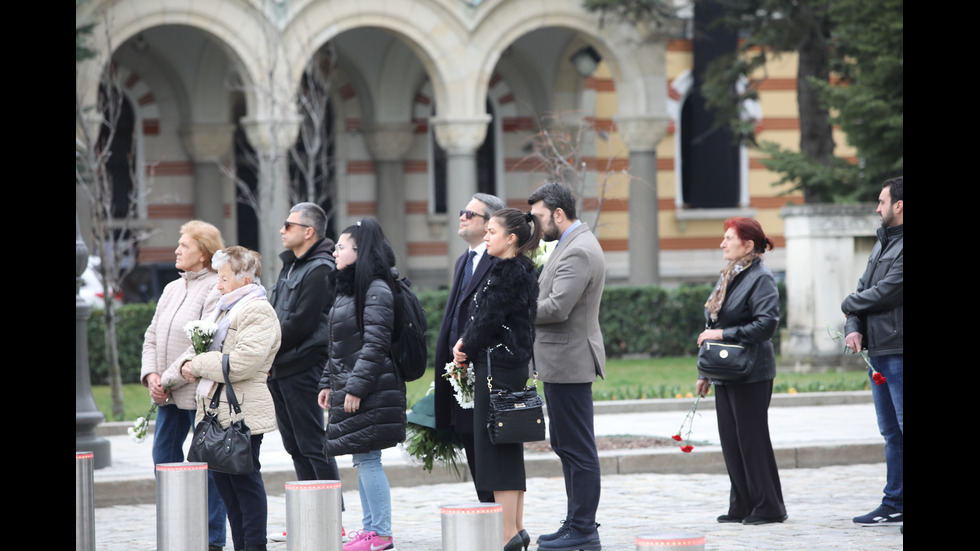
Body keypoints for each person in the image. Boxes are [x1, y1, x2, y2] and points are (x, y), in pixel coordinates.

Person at [173, 246, 282, 551]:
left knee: (245, 484)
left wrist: (196, 365)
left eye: (223, 278)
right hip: (214, 409)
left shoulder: (257, 309)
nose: (217, 285)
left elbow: (242, 362)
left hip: (241, 411)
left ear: (244, 279)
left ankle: (254, 546)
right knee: (227, 487)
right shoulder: (226, 307)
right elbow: (206, 351)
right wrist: (185, 366)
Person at [452, 208, 541, 551]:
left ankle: (507, 534)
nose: (486, 237)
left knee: (496, 445)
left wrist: (465, 347)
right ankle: (515, 527)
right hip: (508, 366)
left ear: (511, 238)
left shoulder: (508, 272)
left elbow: (487, 319)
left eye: (492, 231)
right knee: (508, 442)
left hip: (498, 367)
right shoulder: (518, 269)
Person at [317, 219, 405, 551]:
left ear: (360, 251)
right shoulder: (350, 289)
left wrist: (355, 388)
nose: (335, 251)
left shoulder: (376, 289)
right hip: (354, 383)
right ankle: (371, 530)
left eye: (340, 246)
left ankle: (381, 533)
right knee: (362, 458)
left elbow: (375, 344)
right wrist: (328, 382)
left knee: (369, 459)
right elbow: (339, 344)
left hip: (372, 387)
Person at [140, 220, 228, 550]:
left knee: (208, 468)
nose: (177, 250)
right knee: (163, 460)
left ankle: (211, 539)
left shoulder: (213, 288)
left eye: (185, 246)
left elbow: (202, 343)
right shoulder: (171, 289)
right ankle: (177, 529)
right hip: (167, 397)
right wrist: (151, 376)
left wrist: (167, 378)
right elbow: (151, 335)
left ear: (204, 254)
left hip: (198, 395)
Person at [695, 217, 787, 526]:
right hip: (726, 369)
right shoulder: (732, 274)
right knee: (731, 440)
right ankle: (743, 504)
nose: (722, 243)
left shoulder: (760, 277)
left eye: (729, 238)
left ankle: (769, 507)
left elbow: (767, 323)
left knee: (752, 439)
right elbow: (713, 323)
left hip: (752, 371)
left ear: (747, 244)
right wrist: (704, 372)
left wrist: (722, 335)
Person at [528, 183, 604, 551]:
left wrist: (516, 309)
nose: (537, 226)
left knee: (577, 447)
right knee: (566, 445)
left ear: (559, 214)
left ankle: (584, 529)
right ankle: (576, 522)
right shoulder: (569, 245)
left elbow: (557, 308)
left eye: (540, 218)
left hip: (570, 360)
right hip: (561, 360)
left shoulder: (579, 251)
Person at [434, 192, 506, 504]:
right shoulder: (464, 260)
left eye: (470, 214)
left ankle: (503, 523)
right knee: (471, 446)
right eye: (463, 211)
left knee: (489, 452)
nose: (462, 216)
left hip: (486, 373)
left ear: (491, 223)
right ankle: (489, 515)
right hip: (459, 375)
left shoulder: (500, 261)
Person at [841, 176, 903, 527]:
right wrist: (853, 328)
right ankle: (895, 501)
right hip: (878, 352)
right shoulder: (882, 243)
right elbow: (864, 290)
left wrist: (848, 304)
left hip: (899, 351)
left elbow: (887, 293)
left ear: (899, 205)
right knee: (891, 434)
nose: (877, 208)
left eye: (882, 202)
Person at [268, 203, 342, 491]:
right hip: (282, 367)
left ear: (308, 232)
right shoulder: (292, 265)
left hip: (304, 367)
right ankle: (308, 515)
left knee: (312, 443)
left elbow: (302, 323)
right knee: (295, 446)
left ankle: (329, 517)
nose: (281, 230)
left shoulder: (321, 268)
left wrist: (264, 348)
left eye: (288, 225)